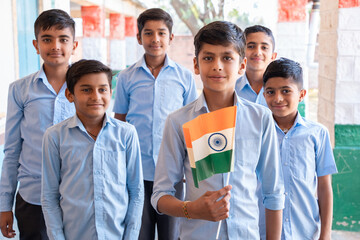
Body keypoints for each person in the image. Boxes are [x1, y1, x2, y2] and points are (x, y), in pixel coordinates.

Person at [151, 21, 285, 240]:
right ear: (195, 65)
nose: (217, 66)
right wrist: (191, 209)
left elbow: (274, 194)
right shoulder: (178, 121)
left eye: (227, 58)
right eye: (208, 58)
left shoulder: (260, 119)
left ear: (242, 66)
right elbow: (160, 196)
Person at [113, 8, 198, 240]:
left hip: (173, 173)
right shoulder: (126, 77)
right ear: (139, 37)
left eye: (161, 33)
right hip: (136, 172)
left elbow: (193, 124)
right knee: (140, 232)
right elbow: (119, 122)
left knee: (172, 233)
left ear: (171, 37)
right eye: (148, 33)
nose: (155, 39)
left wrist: (189, 168)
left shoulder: (184, 77)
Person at [41, 59, 144, 240]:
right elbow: (49, 197)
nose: (96, 96)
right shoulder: (54, 136)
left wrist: (131, 236)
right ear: (69, 94)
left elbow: (136, 192)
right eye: (86, 90)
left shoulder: (126, 133)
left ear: (110, 92)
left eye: (102, 89)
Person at [0, 9, 78, 239]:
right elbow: (12, 150)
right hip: (33, 198)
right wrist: (5, 204)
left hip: (77, 196)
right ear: (36, 45)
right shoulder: (20, 89)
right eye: (47, 39)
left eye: (63, 39)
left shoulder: (86, 88)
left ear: (74, 44)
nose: (55, 46)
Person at [263, 57, 338, 239]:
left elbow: (324, 187)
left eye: (286, 91)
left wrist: (325, 234)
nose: (278, 98)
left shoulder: (317, 133)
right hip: (263, 230)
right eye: (270, 92)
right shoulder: (259, 134)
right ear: (264, 95)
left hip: (304, 231)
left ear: (302, 94)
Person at [235, 25, 277, 106]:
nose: (258, 53)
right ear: (241, 53)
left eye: (264, 47)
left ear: (273, 56)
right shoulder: (231, 91)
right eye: (251, 46)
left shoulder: (281, 90)